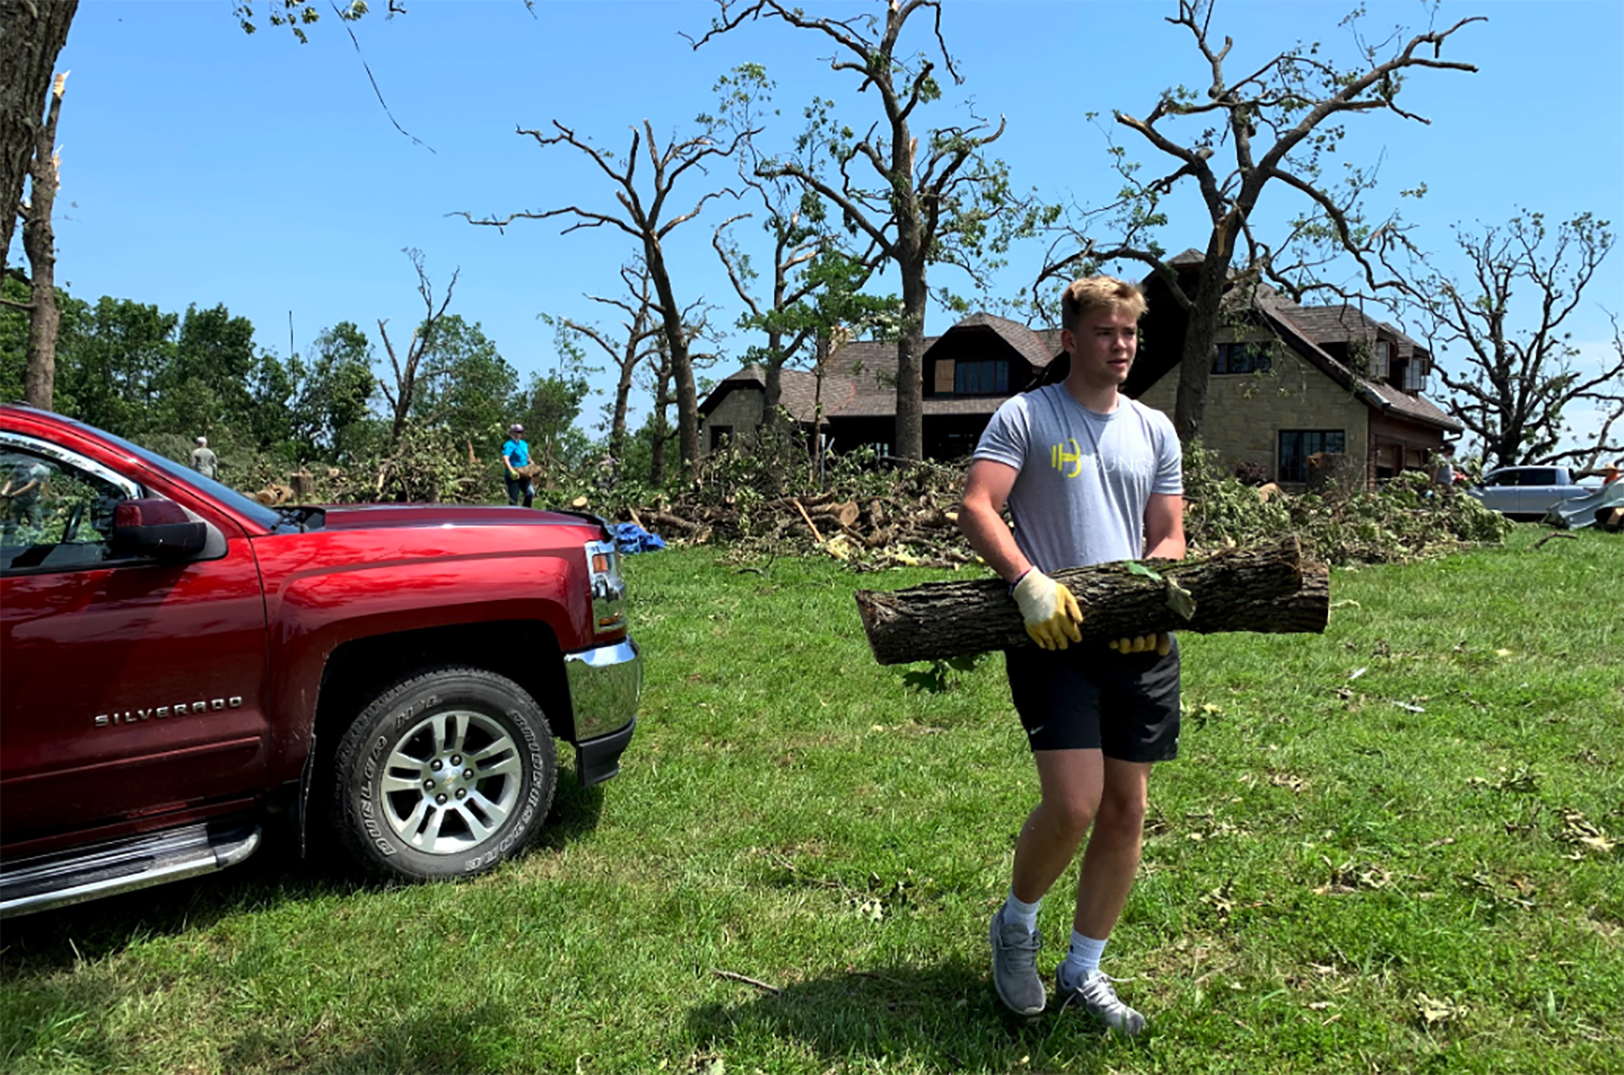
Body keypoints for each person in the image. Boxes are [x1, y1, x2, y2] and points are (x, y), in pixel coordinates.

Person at [957, 275, 1184, 1035]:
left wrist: (1150, 596)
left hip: (1139, 640)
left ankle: (1084, 966)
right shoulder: (1027, 415)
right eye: (1104, 332)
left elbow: (1170, 533)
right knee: (1075, 802)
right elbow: (978, 504)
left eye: (1129, 333)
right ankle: (1016, 924)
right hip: (1054, 636)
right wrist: (1026, 583)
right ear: (1069, 339)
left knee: (1126, 808)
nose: (1120, 346)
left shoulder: (1155, 428)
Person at [0, 458, 51, 544]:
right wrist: (3, 492)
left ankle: (35, 545)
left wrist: (14, 494)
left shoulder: (40, 470)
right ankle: (5, 545)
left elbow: (30, 486)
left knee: (36, 524)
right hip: (16, 501)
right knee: (11, 525)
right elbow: (12, 479)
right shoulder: (20, 465)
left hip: (31, 501)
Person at [502, 423, 534, 508]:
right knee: (514, 499)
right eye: (516, 432)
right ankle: (513, 517)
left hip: (524, 473)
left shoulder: (524, 444)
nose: (518, 434)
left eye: (520, 432)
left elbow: (526, 455)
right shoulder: (509, 444)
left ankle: (526, 512)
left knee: (530, 492)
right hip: (514, 474)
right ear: (512, 432)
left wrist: (531, 462)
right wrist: (511, 470)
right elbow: (505, 458)